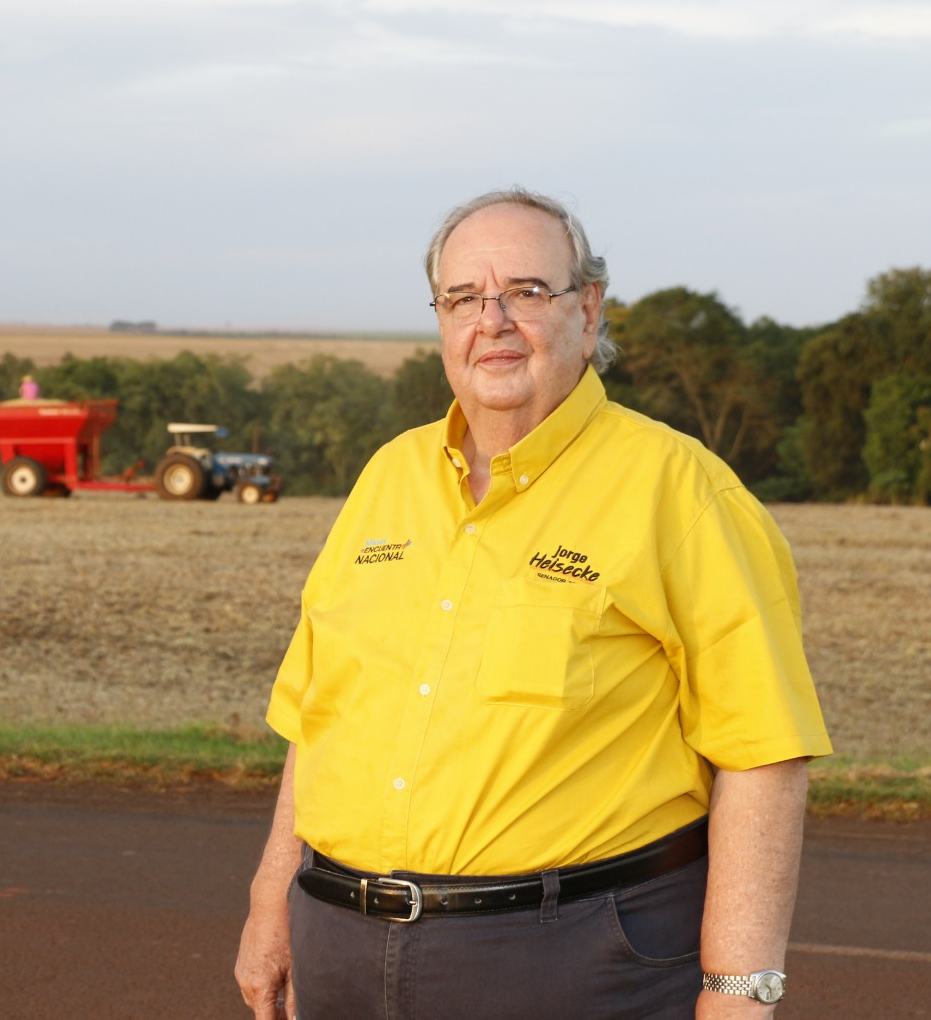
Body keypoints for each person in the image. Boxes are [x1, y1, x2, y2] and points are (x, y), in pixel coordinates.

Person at [234, 189, 831, 1020]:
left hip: (570, 964)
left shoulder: (680, 490)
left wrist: (739, 995)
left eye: (525, 291)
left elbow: (765, 756)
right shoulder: (387, 480)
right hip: (338, 948)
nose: (494, 320)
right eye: (464, 298)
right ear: (441, 319)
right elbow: (317, 719)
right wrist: (272, 905)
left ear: (588, 310)